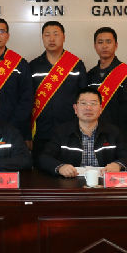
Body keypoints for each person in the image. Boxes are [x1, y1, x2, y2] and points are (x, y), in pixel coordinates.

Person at [36, 87, 127, 177]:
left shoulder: (113, 132)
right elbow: (44, 158)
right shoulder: (62, 131)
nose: (88, 108)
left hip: (103, 185)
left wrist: (118, 165)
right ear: (75, 109)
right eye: (83, 103)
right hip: (72, 184)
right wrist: (60, 167)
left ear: (100, 109)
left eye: (93, 103)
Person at [29, 21, 88, 156]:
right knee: (41, 166)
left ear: (64, 37)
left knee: (70, 166)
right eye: (47, 35)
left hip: (70, 130)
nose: (51, 39)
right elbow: (28, 99)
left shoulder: (76, 65)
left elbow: (84, 97)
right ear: (42, 38)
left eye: (56, 34)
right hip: (41, 131)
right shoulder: (33, 66)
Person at [86, 27, 127, 151]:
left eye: (108, 42)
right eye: (100, 42)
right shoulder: (90, 75)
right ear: (95, 46)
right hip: (94, 137)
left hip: (120, 139)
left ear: (116, 45)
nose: (104, 46)